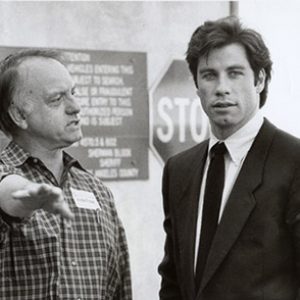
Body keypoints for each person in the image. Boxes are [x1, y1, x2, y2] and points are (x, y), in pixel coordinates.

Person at [158, 16, 300, 300]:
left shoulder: (294, 162)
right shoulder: (179, 169)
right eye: (209, 75)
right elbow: (173, 278)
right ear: (197, 85)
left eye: (235, 73)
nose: (222, 87)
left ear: (259, 79)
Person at [0, 49, 132, 300]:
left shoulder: (98, 191)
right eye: (57, 99)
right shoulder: (6, 173)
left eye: (74, 93)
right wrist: (24, 196)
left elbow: (119, 289)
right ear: (19, 115)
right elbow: (7, 191)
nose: (75, 107)